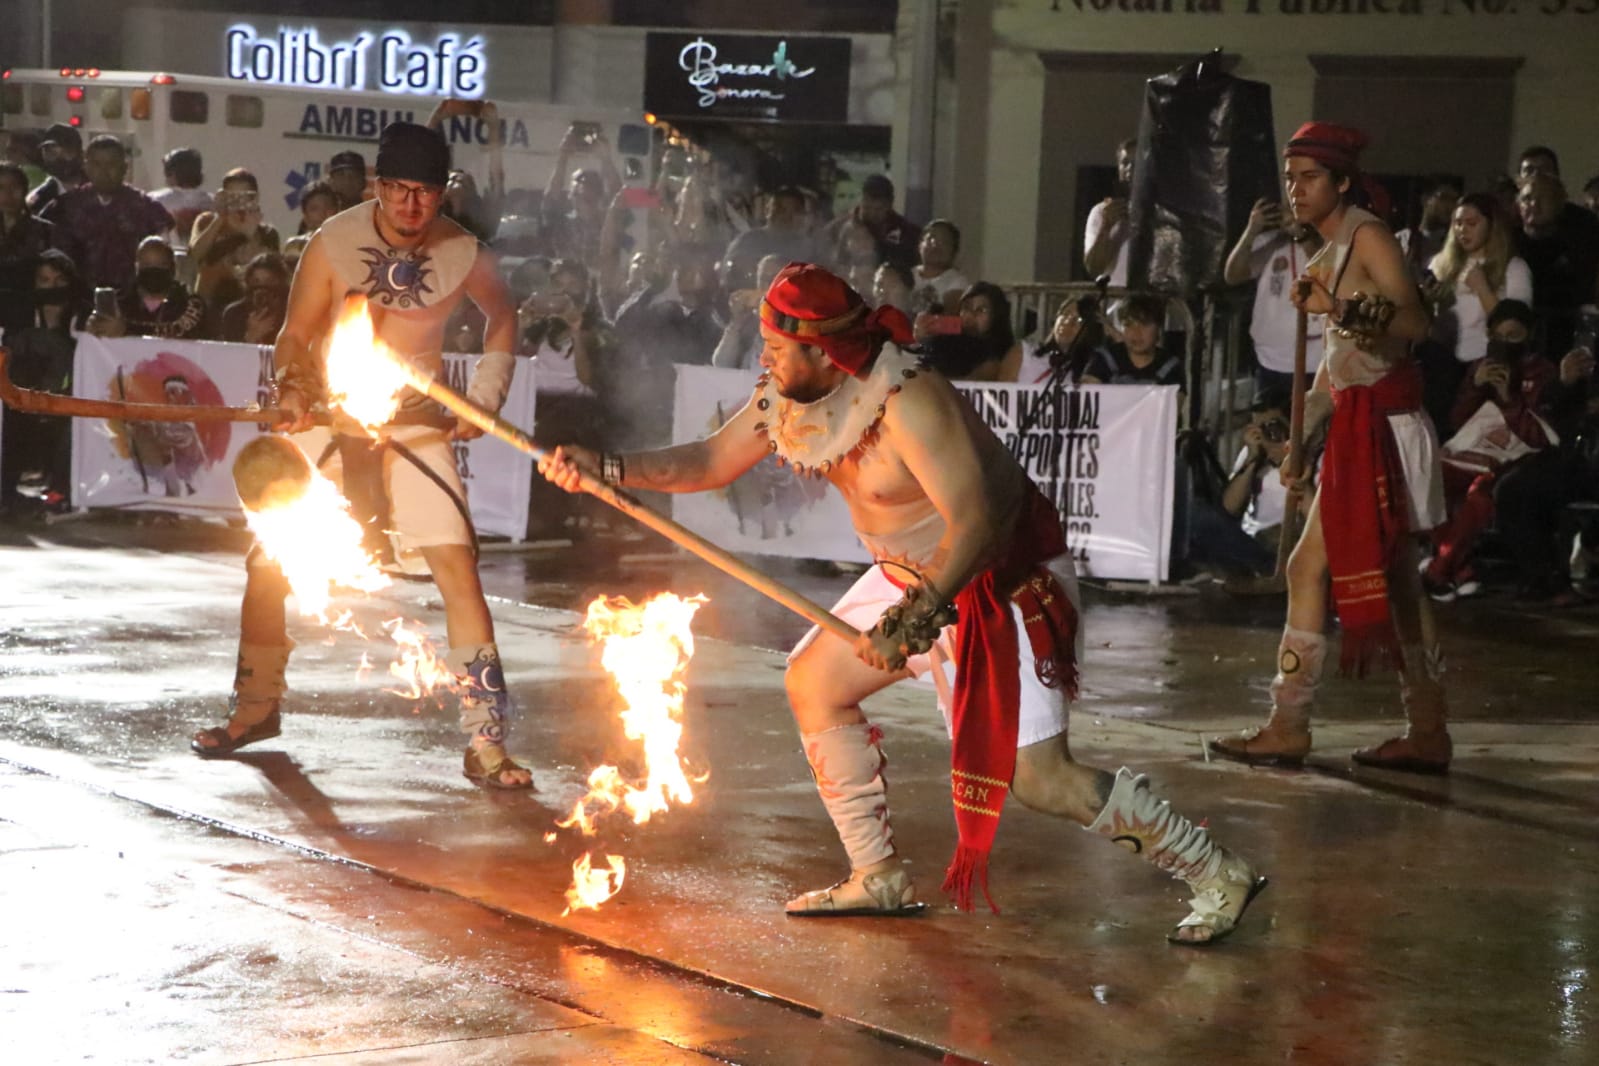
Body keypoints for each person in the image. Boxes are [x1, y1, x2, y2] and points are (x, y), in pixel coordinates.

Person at [538, 263, 1266, 944]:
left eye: (776, 348)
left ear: (826, 354)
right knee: (814, 682)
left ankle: (1216, 871)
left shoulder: (907, 401)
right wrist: (605, 469)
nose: (765, 362)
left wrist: (911, 621)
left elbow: (976, 524)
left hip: (996, 581)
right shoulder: (785, 397)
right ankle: (875, 874)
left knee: (1040, 782)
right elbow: (706, 460)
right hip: (906, 574)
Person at [188, 122, 532, 792]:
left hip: (412, 422)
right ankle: (255, 708)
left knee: (457, 566)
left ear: (441, 195)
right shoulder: (333, 242)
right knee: (267, 563)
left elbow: (503, 317)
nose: (410, 205)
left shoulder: (464, 252)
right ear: (377, 186)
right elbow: (295, 334)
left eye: (424, 192)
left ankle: (485, 740)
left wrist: (484, 396)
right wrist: (291, 386)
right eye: (399, 189)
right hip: (329, 414)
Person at [1210, 122, 1452, 775]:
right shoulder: (1323, 253)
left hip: (1387, 430)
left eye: (1309, 177)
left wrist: (1338, 305)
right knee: (1395, 584)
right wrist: (1302, 440)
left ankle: (1290, 723)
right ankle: (1423, 729)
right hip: (1354, 426)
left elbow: (1412, 325)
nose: (1295, 190)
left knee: (1310, 569)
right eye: (1289, 179)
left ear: (1341, 182)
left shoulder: (1366, 237)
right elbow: (1333, 369)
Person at [1422, 299, 1559, 600]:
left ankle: (1439, 569)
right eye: (1499, 336)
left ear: (1530, 335)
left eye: (1514, 336)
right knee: (1427, 482)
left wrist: (1508, 397)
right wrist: (1475, 385)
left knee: (1480, 495)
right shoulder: (1479, 367)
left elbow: (1538, 435)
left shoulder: (1543, 372)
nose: (1506, 343)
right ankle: (1461, 569)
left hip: (1516, 459)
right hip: (1471, 451)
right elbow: (1458, 421)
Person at [1421, 193, 1533, 431]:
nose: (1463, 230)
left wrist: (1483, 289)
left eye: (1472, 224)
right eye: (1458, 223)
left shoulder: (1513, 268)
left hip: (1486, 365)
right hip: (1441, 365)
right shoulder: (1441, 264)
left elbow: (1515, 327)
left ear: (1492, 225)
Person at [39, 135, 173, 292]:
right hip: (77, 298)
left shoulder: (145, 207)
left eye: (111, 164)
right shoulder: (64, 206)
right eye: (96, 164)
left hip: (130, 298)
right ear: (86, 166)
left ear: (124, 167)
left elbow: (164, 252)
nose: (104, 171)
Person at [1223, 195, 1326, 397]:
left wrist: (1299, 233)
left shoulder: (1324, 242)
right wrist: (1252, 229)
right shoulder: (1268, 242)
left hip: (1315, 362)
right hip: (1270, 359)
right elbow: (1233, 275)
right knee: (1269, 425)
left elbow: (1327, 269)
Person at [87, 235, 206, 341]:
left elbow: (183, 335)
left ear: (173, 268)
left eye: (161, 265)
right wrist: (94, 326)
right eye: (147, 266)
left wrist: (125, 330)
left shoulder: (191, 305)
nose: (153, 272)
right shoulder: (117, 305)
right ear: (137, 268)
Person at [0, 160, 57, 336]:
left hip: (28, 319)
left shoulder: (45, 231)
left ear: (25, 190)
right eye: (1, 188)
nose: (8, 195)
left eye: (14, 188)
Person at [1083, 294, 1182, 386]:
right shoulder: (1104, 359)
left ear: (1158, 328)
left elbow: (1176, 401)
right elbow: (1089, 396)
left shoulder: (1171, 366)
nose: (1136, 333)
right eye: (1128, 325)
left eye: (1145, 324)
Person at [1083, 139, 1135, 286]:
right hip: (1111, 305)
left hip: (1153, 305)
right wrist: (1107, 227)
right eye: (1125, 163)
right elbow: (1093, 269)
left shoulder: (1165, 213)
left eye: (1138, 163)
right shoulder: (1101, 212)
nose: (1130, 168)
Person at [149, 147, 212, 256]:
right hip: (204, 259)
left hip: (167, 258)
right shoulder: (212, 202)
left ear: (171, 173)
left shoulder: (154, 200)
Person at [218, 252, 291, 344]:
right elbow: (229, 355)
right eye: (256, 282)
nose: (263, 287)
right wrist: (251, 337)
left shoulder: (291, 314)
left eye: (270, 281)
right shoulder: (234, 314)